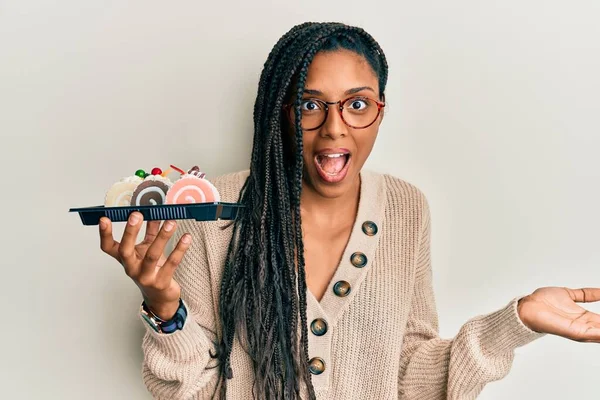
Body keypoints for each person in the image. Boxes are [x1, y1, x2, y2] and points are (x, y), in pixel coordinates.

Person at [98, 22, 600, 400]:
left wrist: (516, 322)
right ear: (281, 112)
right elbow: (193, 391)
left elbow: (408, 375)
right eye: (310, 104)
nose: (335, 127)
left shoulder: (406, 208)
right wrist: (164, 309)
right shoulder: (214, 215)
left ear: (381, 108)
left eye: (356, 104)